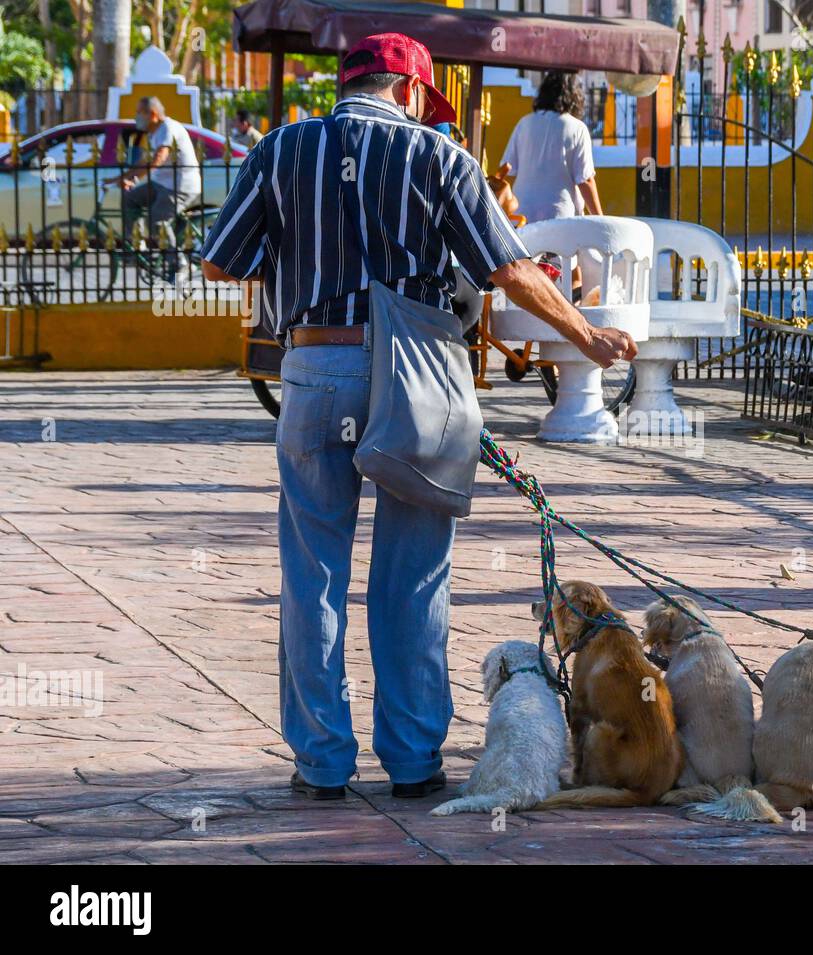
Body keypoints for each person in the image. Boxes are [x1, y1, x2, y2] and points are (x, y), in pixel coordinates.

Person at [199, 33, 636, 801]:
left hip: (316, 368)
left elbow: (218, 262)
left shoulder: (281, 149)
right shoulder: (441, 158)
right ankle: (411, 760)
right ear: (408, 92)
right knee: (414, 573)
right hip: (420, 379)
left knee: (313, 573)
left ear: (350, 84)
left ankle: (322, 763)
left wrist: (305, 250)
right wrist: (588, 337)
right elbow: (507, 269)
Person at [499, 70, 603, 223]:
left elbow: (507, 168)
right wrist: (601, 220)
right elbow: (585, 180)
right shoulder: (577, 128)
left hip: (520, 216)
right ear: (575, 96)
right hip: (560, 219)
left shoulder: (524, 123)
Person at [108, 97, 201, 257]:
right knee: (130, 199)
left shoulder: (167, 128)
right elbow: (144, 161)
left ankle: (178, 263)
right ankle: (137, 245)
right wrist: (122, 178)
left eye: (139, 113)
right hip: (161, 184)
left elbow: (158, 158)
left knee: (156, 221)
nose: (136, 117)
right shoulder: (153, 133)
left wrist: (134, 177)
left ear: (152, 114)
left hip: (179, 186)